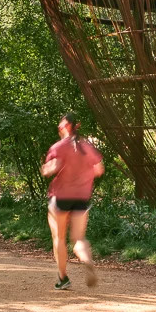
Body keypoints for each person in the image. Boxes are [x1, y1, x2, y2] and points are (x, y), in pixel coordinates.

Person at [41, 113, 104, 291]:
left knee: (59, 238)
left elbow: (51, 168)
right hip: (81, 197)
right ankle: (87, 261)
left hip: (60, 197)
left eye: (60, 125)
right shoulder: (87, 147)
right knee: (78, 238)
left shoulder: (59, 147)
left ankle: (63, 278)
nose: (59, 128)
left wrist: (46, 168)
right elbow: (99, 169)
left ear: (67, 126)